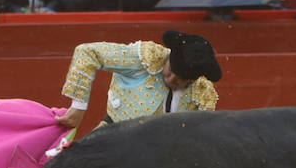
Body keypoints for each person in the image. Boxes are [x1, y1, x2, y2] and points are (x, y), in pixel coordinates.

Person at [57, 30, 220, 129]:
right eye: (170, 70)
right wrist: (78, 107)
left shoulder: (201, 93)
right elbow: (87, 52)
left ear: (192, 80)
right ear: (168, 57)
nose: (171, 79)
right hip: (114, 135)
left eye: (180, 80)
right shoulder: (145, 58)